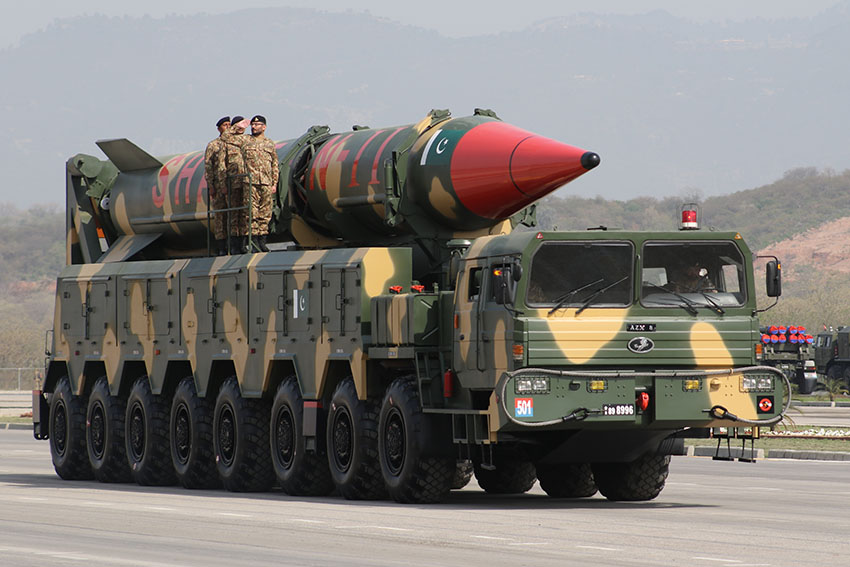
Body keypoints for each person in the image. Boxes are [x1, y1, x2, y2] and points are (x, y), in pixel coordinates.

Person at [245, 115, 279, 252]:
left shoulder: (269, 143)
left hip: (266, 182)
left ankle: (262, 241)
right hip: (250, 182)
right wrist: (240, 125)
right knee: (252, 213)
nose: (254, 127)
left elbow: (274, 165)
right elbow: (229, 138)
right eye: (252, 124)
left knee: (265, 214)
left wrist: (274, 183)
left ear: (264, 127)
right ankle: (253, 242)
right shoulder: (246, 141)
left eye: (257, 124)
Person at [219, 116, 251, 253]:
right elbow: (221, 167)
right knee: (233, 215)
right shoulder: (227, 142)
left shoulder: (248, 140)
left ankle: (243, 244)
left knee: (244, 214)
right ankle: (233, 245)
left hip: (246, 183)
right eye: (238, 125)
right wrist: (223, 185)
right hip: (232, 184)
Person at [204, 116, 230, 255]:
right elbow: (208, 166)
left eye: (229, 124)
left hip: (232, 185)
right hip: (219, 186)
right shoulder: (213, 145)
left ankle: (234, 244)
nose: (227, 127)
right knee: (220, 216)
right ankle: (221, 246)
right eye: (225, 125)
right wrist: (211, 186)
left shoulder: (234, 143)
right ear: (219, 128)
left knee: (234, 216)